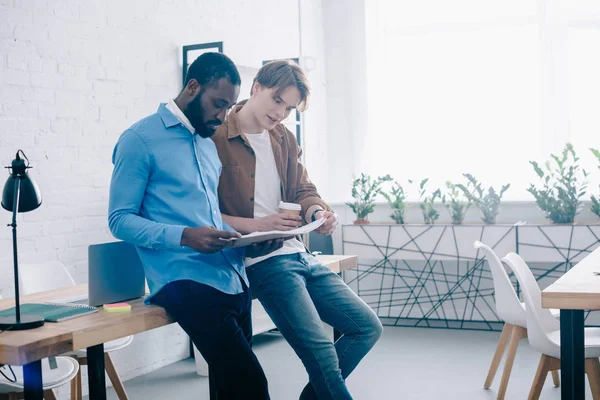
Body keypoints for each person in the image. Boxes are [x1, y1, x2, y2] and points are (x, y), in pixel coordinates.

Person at [108, 52, 280, 399]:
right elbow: (119, 219)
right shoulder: (139, 140)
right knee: (251, 387)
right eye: (217, 104)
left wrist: (249, 240)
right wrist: (185, 236)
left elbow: (209, 215)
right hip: (183, 280)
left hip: (232, 277)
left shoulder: (206, 143)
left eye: (229, 107)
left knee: (228, 389)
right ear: (192, 87)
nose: (222, 115)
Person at [212, 60, 383, 400]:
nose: (281, 113)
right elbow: (204, 212)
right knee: (321, 354)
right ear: (256, 87)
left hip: (300, 252)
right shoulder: (216, 136)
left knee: (366, 327)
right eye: (278, 101)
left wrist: (318, 210)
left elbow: (304, 188)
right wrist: (262, 225)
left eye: (289, 108)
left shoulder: (284, 139)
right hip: (261, 261)